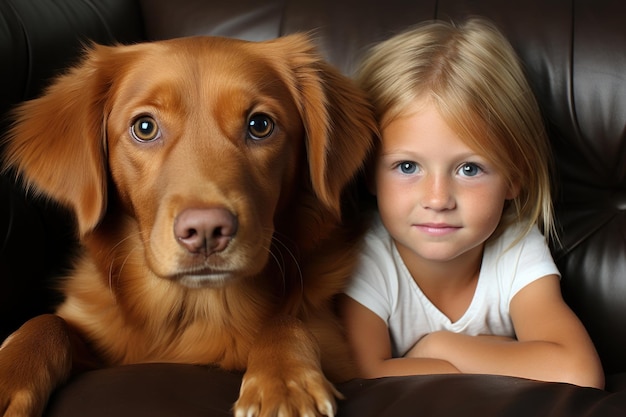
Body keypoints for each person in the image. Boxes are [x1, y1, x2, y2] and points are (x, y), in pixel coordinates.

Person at [340, 18, 604, 389]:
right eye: (407, 166)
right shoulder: (367, 256)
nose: (437, 199)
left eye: (469, 168)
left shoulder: (515, 247)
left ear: (515, 176)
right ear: (368, 171)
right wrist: (497, 358)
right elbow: (358, 377)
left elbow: (579, 373)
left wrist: (439, 346)